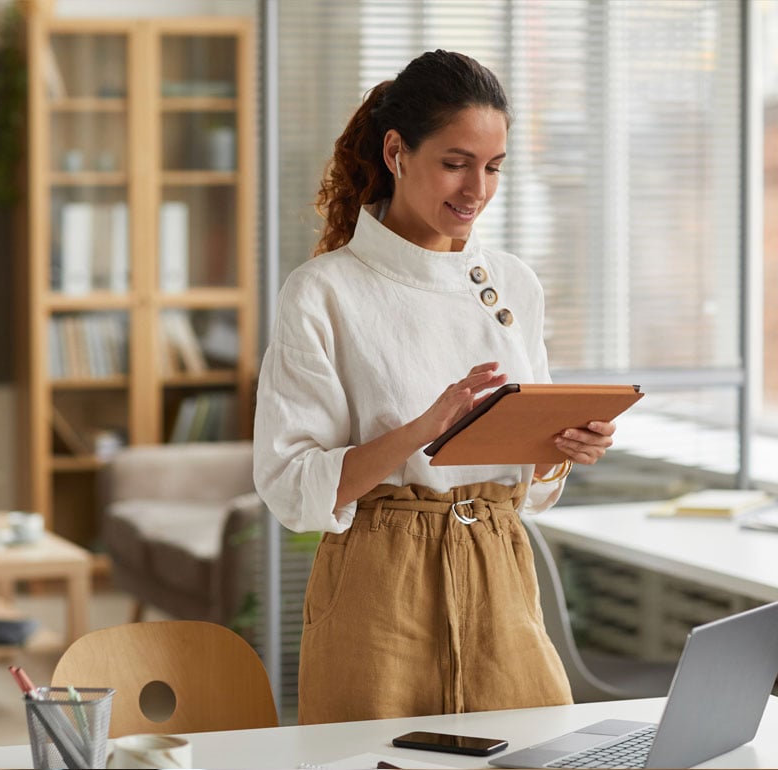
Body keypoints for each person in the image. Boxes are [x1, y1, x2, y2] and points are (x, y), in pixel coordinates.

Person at [253, 49, 616, 725]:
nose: (476, 188)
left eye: (494, 167)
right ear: (396, 151)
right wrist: (425, 428)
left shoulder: (515, 283)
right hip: (378, 586)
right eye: (456, 162)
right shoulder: (323, 292)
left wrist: (558, 447)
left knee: (538, 753)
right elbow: (291, 487)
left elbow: (531, 490)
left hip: (502, 572)